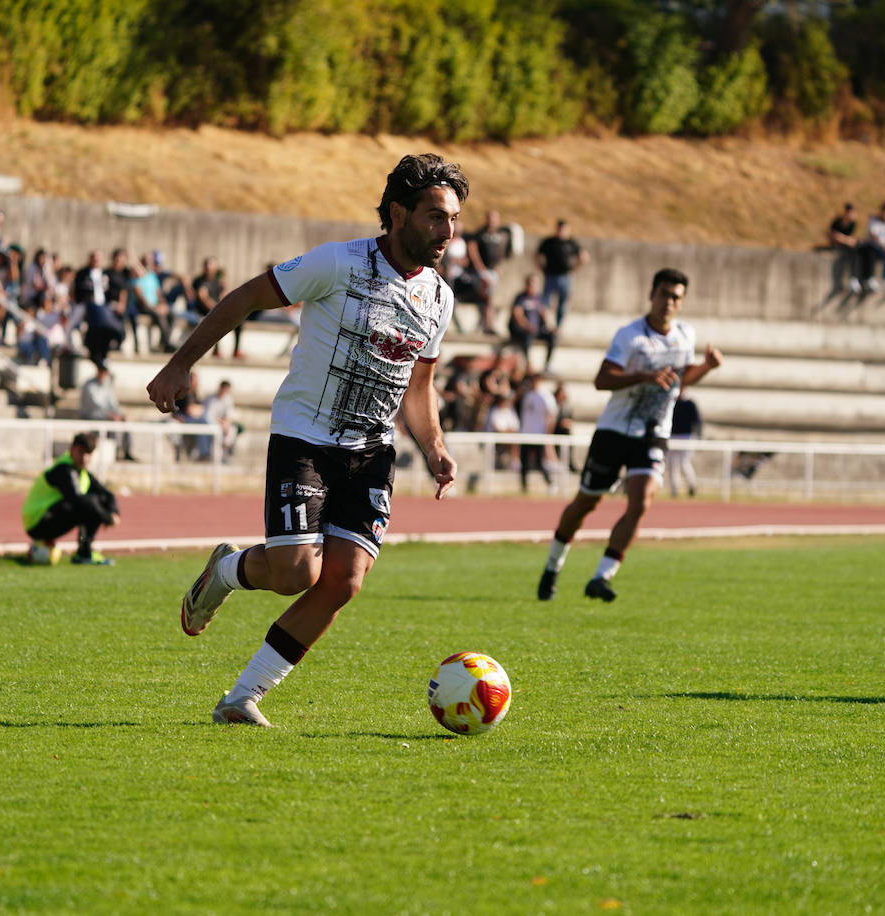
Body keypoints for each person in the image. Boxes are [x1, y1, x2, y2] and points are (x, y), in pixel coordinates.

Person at [145, 152, 466, 728]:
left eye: (454, 220)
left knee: (343, 581)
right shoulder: (338, 263)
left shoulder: (439, 298)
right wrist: (179, 365)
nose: (448, 231)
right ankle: (228, 570)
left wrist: (434, 446)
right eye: (436, 217)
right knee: (297, 572)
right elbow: (245, 297)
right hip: (305, 438)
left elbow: (420, 387)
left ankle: (242, 699)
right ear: (397, 213)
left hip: (372, 454)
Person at [537, 268, 722, 603]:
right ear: (652, 295)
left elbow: (679, 380)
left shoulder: (685, 335)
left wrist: (706, 366)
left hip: (653, 433)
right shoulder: (631, 336)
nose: (669, 302)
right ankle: (553, 565)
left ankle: (601, 577)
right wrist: (644, 377)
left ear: (682, 303)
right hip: (614, 430)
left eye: (676, 297)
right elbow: (602, 379)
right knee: (586, 503)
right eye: (664, 294)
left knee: (642, 501)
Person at [20, 432, 120, 566]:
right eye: (81, 452)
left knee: (97, 500)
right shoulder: (63, 469)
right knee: (89, 503)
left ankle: (84, 553)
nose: (84, 458)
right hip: (37, 522)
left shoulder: (83, 473)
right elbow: (77, 500)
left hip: (50, 517)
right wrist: (107, 518)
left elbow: (107, 495)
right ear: (71, 450)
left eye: (88, 454)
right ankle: (84, 552)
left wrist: (114, 513)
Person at [467, 209, 513, 334]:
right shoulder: (480, 234)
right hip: (483, 271)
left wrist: (500, 266)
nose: (492, 221)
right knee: (487, 297)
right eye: (490, 218)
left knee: (490, 298)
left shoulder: (501, 234)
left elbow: (504, 253)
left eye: (495, 218)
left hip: (494, 271)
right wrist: (481, 268)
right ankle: (487, 324)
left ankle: (487, 323)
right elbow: (472, 249)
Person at [536, 219, 588, 329]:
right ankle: (544, 325)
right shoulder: (549, 242)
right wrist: (542, 269)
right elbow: (537, 256)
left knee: (563, 304)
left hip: (565, 277)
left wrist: (574, 270)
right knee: (545, 303)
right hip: (550, 276)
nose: (562, 232)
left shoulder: (571, 243)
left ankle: (558, 327)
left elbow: (584, 257)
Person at [79, 364, 136, 461]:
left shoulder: (107, 384)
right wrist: (112, 415)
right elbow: (95, 406)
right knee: (114, 422)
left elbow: (113, 403)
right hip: (91, 416)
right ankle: (116, 451)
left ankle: (127, 451)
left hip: (105, 416)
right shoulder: (89, 385)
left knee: (125, 421)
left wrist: (120, 414)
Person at [507, 273, 557, 367]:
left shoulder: (539, 299)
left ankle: (547, 364)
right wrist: (527, 326)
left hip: (535, 329)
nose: (532, 286)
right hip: (523, 330)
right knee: (528, 336)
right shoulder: (520, 298)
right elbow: (517, 315)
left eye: (534, 283)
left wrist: (550, 327)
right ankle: (527, 363)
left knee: (553, 336)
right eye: (530, 283)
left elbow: (544, 314)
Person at [518, 372, 557, 492]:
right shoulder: (527, 394)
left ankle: (550, 483)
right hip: (525, 433)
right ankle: (524, 487)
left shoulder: (545, 395)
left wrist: (548, 434)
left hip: (538, 434)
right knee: (524, 462)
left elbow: (551, 415)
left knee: (539, 462)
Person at [667, 396, 702, 498]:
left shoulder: (690, 403)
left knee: (684, 462)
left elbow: (697, 421)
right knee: (672, 464)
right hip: (672, 436)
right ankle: (674, 489)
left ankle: (692, 485)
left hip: (686, 436)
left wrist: (699, 435)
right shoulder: (672, 402)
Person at [827, 202, 863, 295]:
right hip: (836, 245)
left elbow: (851, 237)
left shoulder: (852, 224)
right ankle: (851, 279)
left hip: (846, 246)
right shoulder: (837, 222)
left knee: (858, 249)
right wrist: (847, 240)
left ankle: (855, 278)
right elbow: (834, 236)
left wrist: (849, 240)